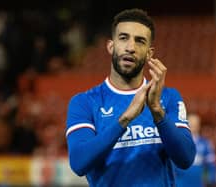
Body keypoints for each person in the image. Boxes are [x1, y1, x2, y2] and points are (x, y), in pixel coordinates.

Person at [65, 8, 196, 187]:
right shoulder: (85, 102)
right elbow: (79, 163)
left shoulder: (168, 97)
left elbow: (186, 159)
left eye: (140, 41)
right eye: (123, 38)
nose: (131, 47)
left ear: (149, 53)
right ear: (111, 46)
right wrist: (124, 119)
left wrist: (157, 112)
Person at [175, 113, 216, 187]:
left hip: (197, 183)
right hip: (180, 183)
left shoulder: (205, 143)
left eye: (196, 123)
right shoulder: (178, 141)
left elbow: (211, 164)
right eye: (191, 122)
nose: (194, 125)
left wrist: (212, 180)